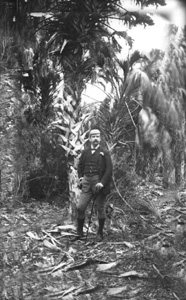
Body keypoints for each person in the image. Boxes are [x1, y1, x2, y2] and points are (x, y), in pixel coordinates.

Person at [77, 128, 113, 241]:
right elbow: (80, 166)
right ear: (89, 139)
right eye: (93, 136)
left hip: (98, 182)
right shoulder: (85, 152)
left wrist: (102, 183)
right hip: (86, 182)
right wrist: (81, 177)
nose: (95, 138)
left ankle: (100, 233)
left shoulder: (105, 152)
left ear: (100, 138)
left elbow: (109, 170)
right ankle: (79, 232)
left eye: (97, 136)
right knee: (80, 207)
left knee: (100, 208)